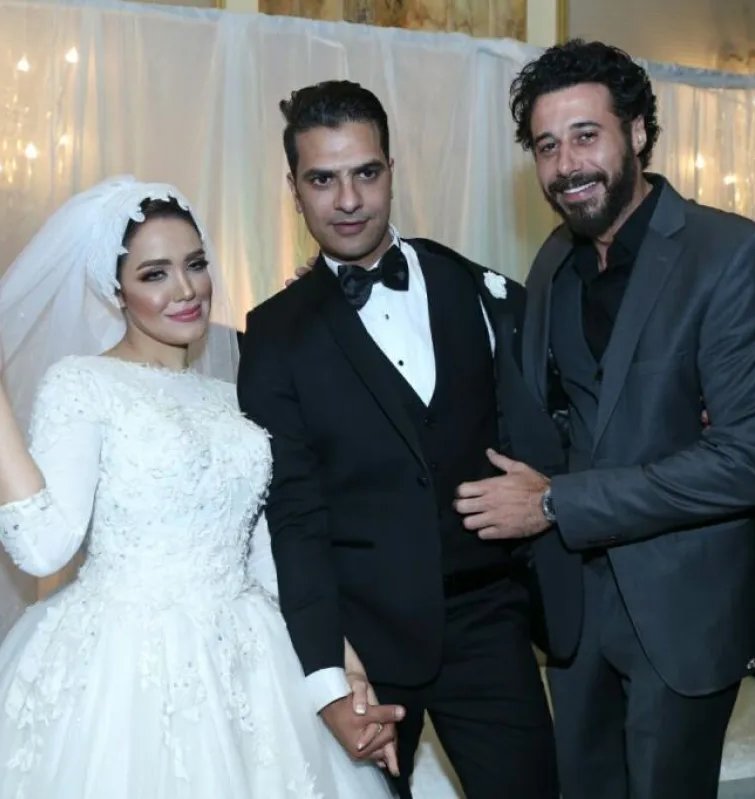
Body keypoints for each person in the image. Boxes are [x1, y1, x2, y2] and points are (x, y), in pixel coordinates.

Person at [0, 177, 400, 797]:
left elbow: (269, 554)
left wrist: (343, 665)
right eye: (155, 274)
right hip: (125, 669)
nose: (186, 290)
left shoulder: (233, 395)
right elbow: (41, 548)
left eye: (195, 264)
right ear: (115, 290)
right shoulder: (83, 384)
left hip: (252, 656)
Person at [452, 40, 755, 798]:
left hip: (681, 611)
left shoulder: (732, 254)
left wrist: (553, 503)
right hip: (575, 611)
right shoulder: (553, 261)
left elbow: (745, 462)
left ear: (637, 131)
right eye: (547, 146)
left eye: (586, 135)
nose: (566, 164)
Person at [237, 81, 558, 799]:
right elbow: (293, 517)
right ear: (293, 189)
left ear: (392, 169)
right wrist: (326, 675)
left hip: (490, 626)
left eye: (366, 172)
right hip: (365, 646)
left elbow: (553, 420)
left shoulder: (477, 287)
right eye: (323, 179)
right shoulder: (274, 335)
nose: (349, 199)